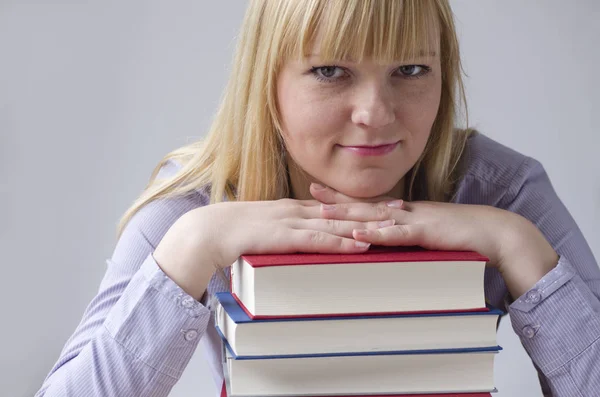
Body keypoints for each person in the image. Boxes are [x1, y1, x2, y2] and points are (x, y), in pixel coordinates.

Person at [36, 1, 599, 396]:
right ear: (268, 81)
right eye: (330, 70)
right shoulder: (195, 209)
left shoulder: (503, 193)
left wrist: (519, 247)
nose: (375, 114)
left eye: (411, 69)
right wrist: (191, 246)